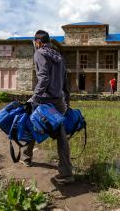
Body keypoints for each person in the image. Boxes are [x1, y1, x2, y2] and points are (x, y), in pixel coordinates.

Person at [22, 30, 74, 184]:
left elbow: (43, 77)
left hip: (44, 101)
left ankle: (26, 158)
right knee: (61, 136)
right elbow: (65, 81)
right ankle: (66, 173)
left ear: (38, 42)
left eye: (34, 43)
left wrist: (34, 98)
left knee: (31, 124)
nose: (34, 45)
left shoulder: (39, 53)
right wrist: (67, 100)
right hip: (58, 101)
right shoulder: (59, 57)